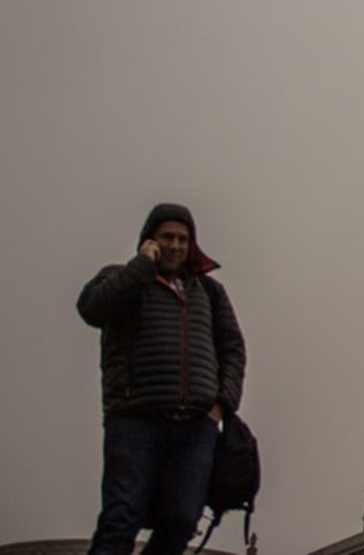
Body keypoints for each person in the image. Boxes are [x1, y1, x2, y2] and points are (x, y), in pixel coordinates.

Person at [78, 203, 247, 555]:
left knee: (184, 518)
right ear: (149, 241)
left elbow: (233, 349)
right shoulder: (124, 278)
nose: (175, 245)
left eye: (183, 239)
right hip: (135, 420)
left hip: (195, 426)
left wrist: (221, 404)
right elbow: (92, 309)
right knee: (121, 515)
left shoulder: (209, 292)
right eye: (167, 237)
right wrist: (141, 265)